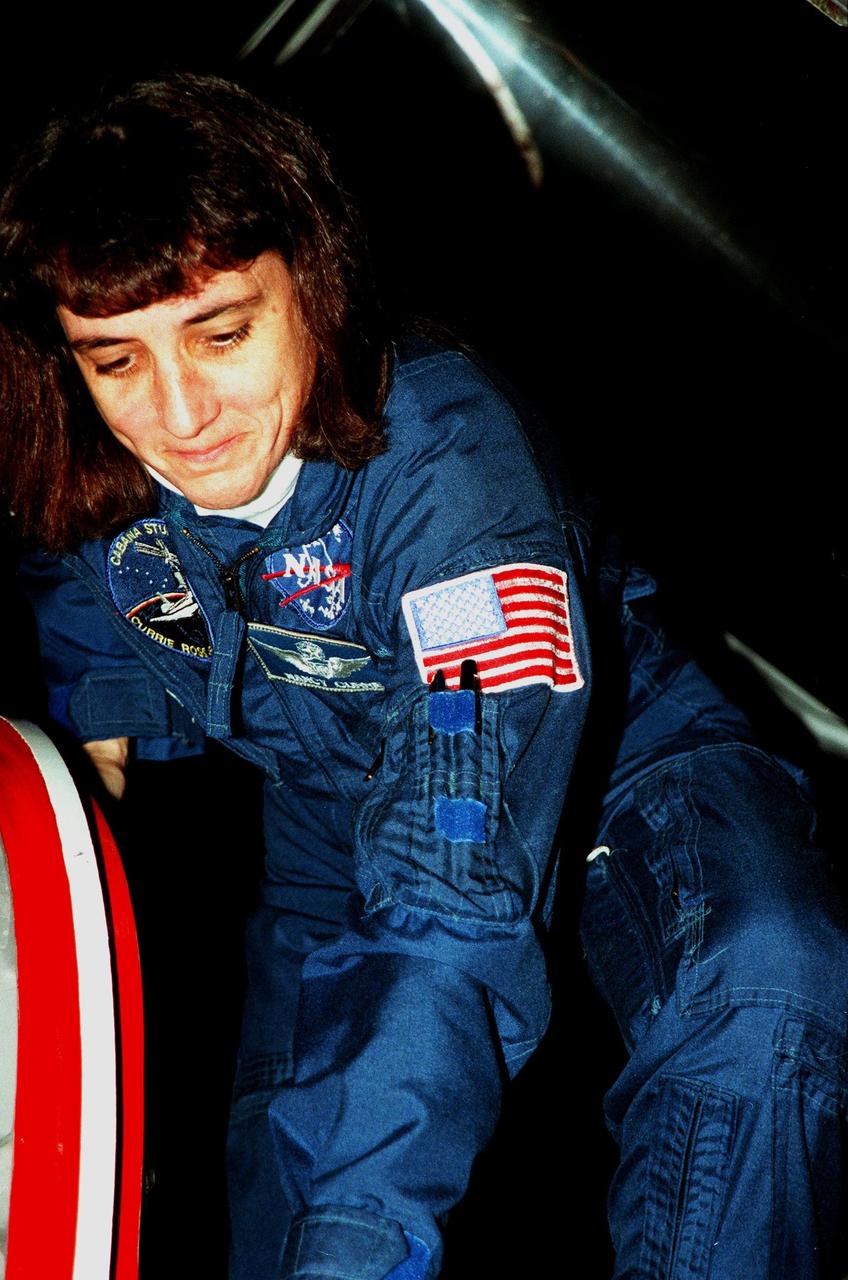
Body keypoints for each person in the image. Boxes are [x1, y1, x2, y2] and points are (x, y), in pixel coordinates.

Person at [1, 72, 846, 1280]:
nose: (179, 412)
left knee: (766, 983)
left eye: (223, 333)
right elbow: (91, 701)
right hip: (326, 829)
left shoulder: (452, 481)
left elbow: (448, 886)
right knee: (286, 1180)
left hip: (624, 760)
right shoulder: (94, 475)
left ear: (316, 286)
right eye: (114, 361)